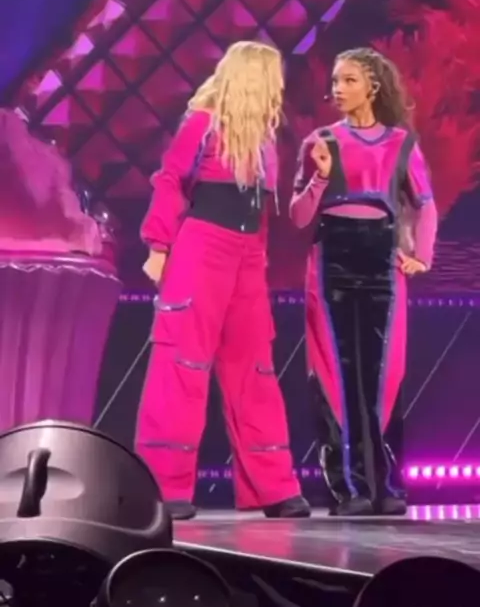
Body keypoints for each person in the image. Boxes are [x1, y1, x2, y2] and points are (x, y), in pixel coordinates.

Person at [136, 41, 310, 521]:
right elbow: (170, 180)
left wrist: (261, 262)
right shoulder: (202, 125)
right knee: (182, 363)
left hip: (248, 256)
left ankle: (273, 487)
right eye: (272, 77)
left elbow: (262, 214)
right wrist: (158, 246)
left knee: (254, 368)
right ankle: (165, 486)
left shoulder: (266, 141)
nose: (279, 87)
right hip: (202, 249)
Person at [290, 47, 438, 517]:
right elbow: (298, 217)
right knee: (335, 374)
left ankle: (385, 485)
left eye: (349, 80)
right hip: (330, 259)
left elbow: (425, 205)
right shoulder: (321, 141)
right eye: (335, 80)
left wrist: (422, 257)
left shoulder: (401, 143)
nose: (338, 88)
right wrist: (319, 178)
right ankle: (348, 489)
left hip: (381, 261)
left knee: (382, 375)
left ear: (372, 86)